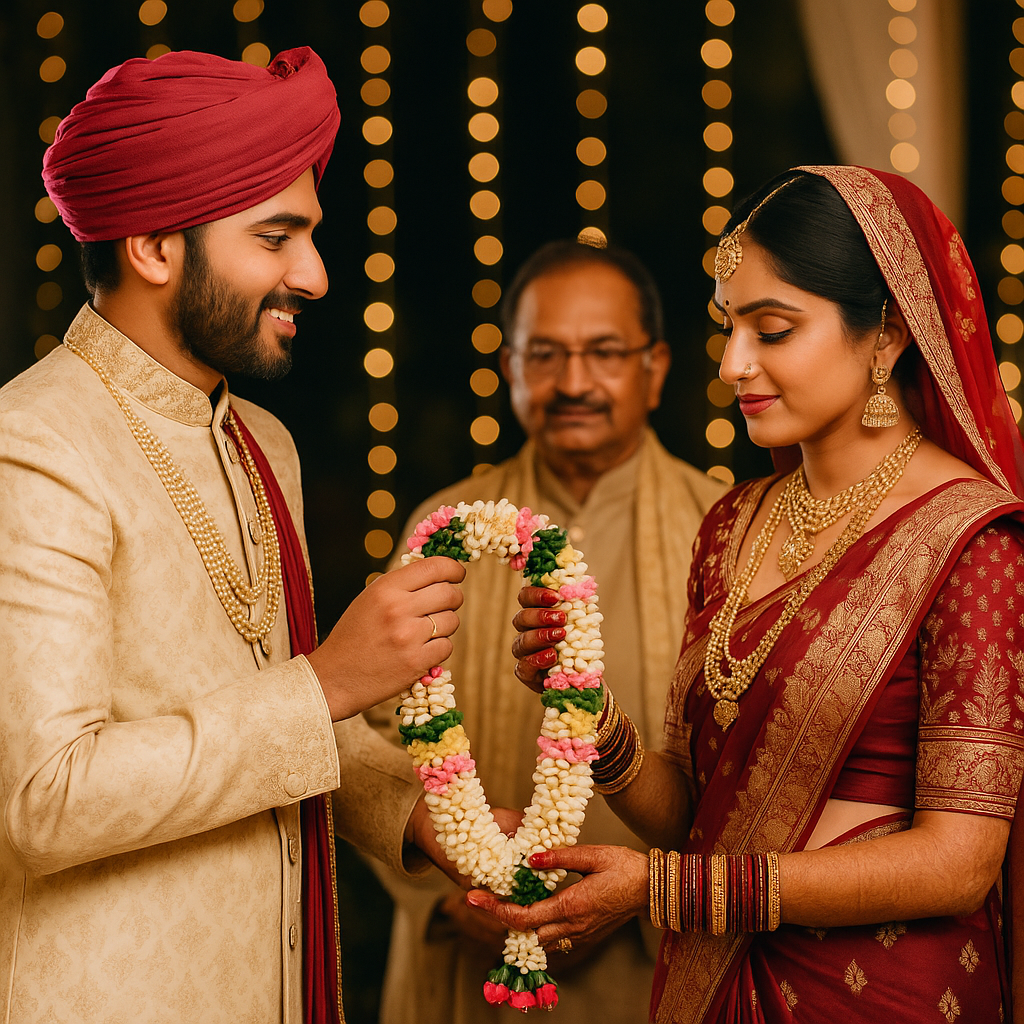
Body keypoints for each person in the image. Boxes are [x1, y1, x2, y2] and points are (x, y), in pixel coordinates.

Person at [474, 166, 1024, 1022]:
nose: (734, 364)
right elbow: (696, 811)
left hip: (887, 1000)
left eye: (773, 330)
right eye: (730, 327)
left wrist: (668, 892)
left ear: (883, 337)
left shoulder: (971, 544)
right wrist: (592, 717)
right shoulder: (734, 525)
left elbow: (959, 863)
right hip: (721, 985)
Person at [0, 48, 466, 1024]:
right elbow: (46, 799)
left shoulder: (265, 444)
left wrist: (426, 819)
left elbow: (274, 713)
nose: (316, 275)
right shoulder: (32, 444)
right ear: (155, 247)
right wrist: (334, 677)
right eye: (276, 236)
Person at [365, 240, 724, 1023]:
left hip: (659, 962)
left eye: (603, 353)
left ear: (656, 366)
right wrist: (438, 883)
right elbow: (368, 737)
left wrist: (648, 891)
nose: (572, 384)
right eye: (545, 355)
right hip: (469, 958)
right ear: (510, 367)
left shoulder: (724, 530)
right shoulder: (447, 529)